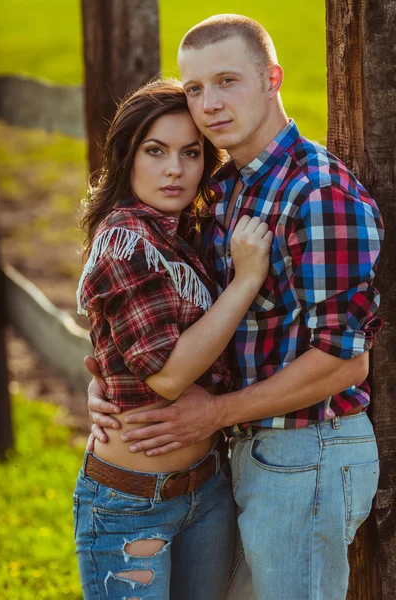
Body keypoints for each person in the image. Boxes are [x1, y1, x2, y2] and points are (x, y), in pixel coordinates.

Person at [86, 15, 384, 600]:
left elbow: (343, 362)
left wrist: (215, 413)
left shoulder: (317, 193)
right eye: (195, 88)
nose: (210, 104)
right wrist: (106, 377)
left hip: (308, 452)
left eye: (227, 81)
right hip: (243, 455)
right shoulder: (223, 185)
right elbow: (157, 315)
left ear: (271, 78)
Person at [74, 77, 273, 600]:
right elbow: (168, 375)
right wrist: (247, 280)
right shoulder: (125, 239)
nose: (174, 170)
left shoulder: (183, 230)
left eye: (190, 153)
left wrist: (99, 377)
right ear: (127, 156)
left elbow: (119, 344)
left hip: (206, 490)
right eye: (155, 150)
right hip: (131, 502)